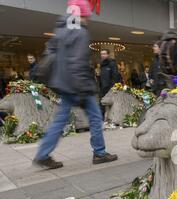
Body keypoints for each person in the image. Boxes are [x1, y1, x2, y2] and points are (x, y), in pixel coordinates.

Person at [33, 0, 118, 170]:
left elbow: (50, 51)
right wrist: (81, 88)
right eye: (87, 15)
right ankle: (100, 153)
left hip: (63, 82)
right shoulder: (80, 31)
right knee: (95, 116)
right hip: (79, 84)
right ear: (82, 14)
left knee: (60, 119)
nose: (88, 19)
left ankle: (42, 154)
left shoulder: (61, 29)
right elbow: (77, 61)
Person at [99, 48, 121, 116]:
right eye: (101, 54)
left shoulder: (112, 63)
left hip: (110, 88)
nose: (102, 55)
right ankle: (103, 119)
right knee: (102, 104)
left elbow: (115, 76)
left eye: (104, 54)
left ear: (108, 54)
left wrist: (112, 88)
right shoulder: (102, 64)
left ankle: (112, 118)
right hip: (103, 88)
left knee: (112, 105)